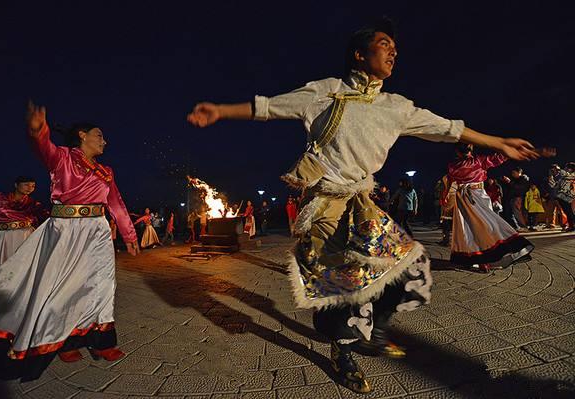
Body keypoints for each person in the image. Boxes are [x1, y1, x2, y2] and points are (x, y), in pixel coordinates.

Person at [187, 20, 542, 393]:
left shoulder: (397, 107)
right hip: (325, 202)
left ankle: (373, 329)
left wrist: (499, 141)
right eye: (384, 44)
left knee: (408, 263)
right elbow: (271, 107)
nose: (393, 52)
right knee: (344, 275)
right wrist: (222, 111)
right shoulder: (328, 92)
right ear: (359, 54)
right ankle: (344, 352)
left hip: (361, 199)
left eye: (395, 48)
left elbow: (448, 128)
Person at [0, 102, 139, 380]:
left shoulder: (106, 171)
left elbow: (116, 203)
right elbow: (44, 148)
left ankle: (102, 342)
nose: (105, 141)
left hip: (97, 232)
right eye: (99, 135)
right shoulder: (63, 158)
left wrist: (129, 234)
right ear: (82, 136)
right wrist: (39, 131)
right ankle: (60, 341)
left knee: (101, 285)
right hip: (65, 230)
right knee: (61, 288)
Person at [445, 144, 537, 273]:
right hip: (477, 195)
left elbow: (449, 182)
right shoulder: (479, 160)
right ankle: (484, 259)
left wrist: (446, 197)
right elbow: (499, 157)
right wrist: (515, 150)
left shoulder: (453, 165)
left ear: (457, 152)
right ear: (471, 148)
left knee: (467, 229)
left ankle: (471, 259)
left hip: (463, 198)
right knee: (485, 226)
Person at [0, 176, 47, 282]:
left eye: (33, 186)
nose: (30, 188)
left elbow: (46, 216)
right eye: (26, 184)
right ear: (16, 185)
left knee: (21, 264)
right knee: (2, 264)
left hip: (25, 236)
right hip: (4, 237)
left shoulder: (33, 204)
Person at [548, 162, 575, 232]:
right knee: (568, 212)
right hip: (563, 197)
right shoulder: (564, 177)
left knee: (569, 212)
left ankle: (571, 226)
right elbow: (555, 186)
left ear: (570, 169)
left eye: (566, 168)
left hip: (568, 196)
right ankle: (571, 226)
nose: (565, 169)